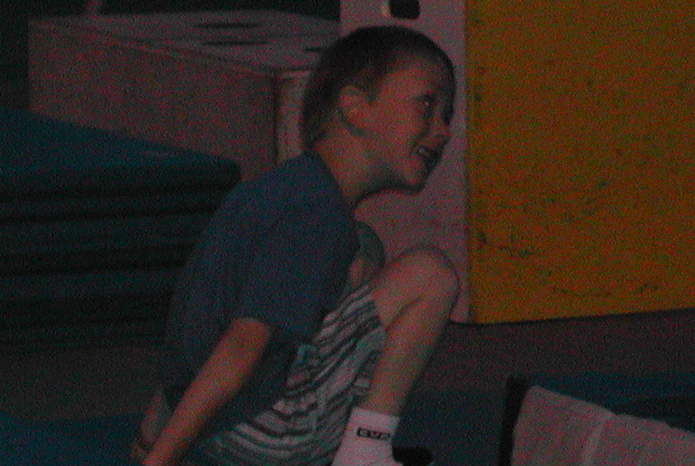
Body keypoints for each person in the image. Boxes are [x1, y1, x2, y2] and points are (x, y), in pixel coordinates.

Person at [133, 26, 461, 466]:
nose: (443, 131)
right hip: (273, 429)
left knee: (364, 250)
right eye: (427, 105)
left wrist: (148, 440)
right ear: (355, 108)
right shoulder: (316, 215)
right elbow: (240, 345)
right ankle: (364, 453)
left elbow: (196, 325)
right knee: (429, 275)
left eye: (446, 115)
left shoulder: (278, 191)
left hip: (217, 427)